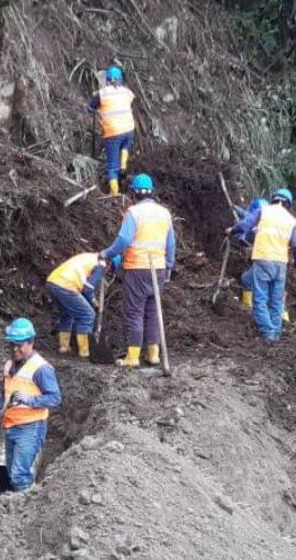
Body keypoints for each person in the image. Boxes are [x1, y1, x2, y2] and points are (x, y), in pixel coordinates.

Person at [99, 173, 175, 367]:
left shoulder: (133, 213)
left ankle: (132, 357)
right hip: (157, 268)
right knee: (153, 311)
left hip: (137, 269)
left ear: (133, 193)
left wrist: (107, 253)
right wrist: (168, 267)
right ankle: (153, 354)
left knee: (135, 312)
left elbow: (124, 240)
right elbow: (171, 244)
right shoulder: (164, 213)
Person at [226, 188, 296, 341]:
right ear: (288, 204)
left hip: (263, 259)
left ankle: (267, 333)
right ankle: (276, 333)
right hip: (280, 264)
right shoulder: (291, 220)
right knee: (276, 300)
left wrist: (231, 231)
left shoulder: (264, 211)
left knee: (260, 298)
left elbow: (244, 225)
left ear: (273, 199)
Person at [0, 318, 61, 491]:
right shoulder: (10, 365)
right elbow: (5, 392)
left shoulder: (41, 369)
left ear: (31, 343)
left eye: (19, 345)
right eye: (12, 344)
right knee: (12, 472)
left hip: (30, 428)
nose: (15, 349)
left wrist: (30, 400)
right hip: (11, 425)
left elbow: (55, 398)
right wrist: (2, 411)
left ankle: (23, 513)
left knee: (20, 475)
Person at [45, 253, 118, 358]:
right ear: (110, 263)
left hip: (53, 282)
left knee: (66, 314)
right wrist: (93, 302)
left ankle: (64, 347)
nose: (107, 272)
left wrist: (90, 299)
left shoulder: (91, 257)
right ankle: (85, 352)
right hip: (66, 285)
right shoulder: (101, 265)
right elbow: (87, 289)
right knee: (88, 315)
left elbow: (85, 288)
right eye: (110, 270)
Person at [88, 65, 135, 196]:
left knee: (112, 166)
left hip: (113, 132)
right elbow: (130, 100)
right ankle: (124, 167)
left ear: (107, 79)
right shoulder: (127, 92)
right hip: (129, 129)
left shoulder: (102, 93)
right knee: (125, 147)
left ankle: (115, 194)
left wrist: (96, 102)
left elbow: (91, 108)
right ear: (120, 79)